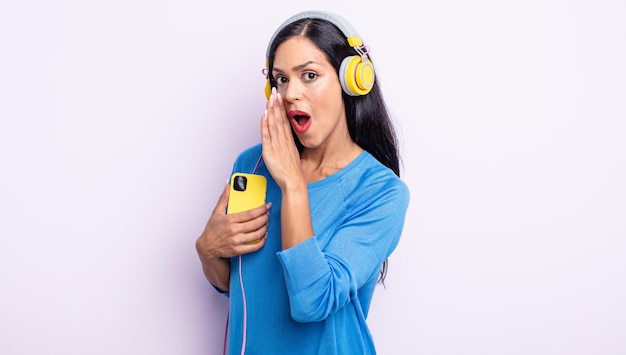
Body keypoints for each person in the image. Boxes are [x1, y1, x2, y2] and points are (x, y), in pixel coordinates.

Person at [195, 10, 410, 354]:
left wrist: (293, 184)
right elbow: (243, 289)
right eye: (281, 79)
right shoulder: (251, 165)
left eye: (309, 75)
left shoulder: (381, 192)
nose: (291, 92)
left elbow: (312, 303)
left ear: (351, 80)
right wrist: (208, 252)